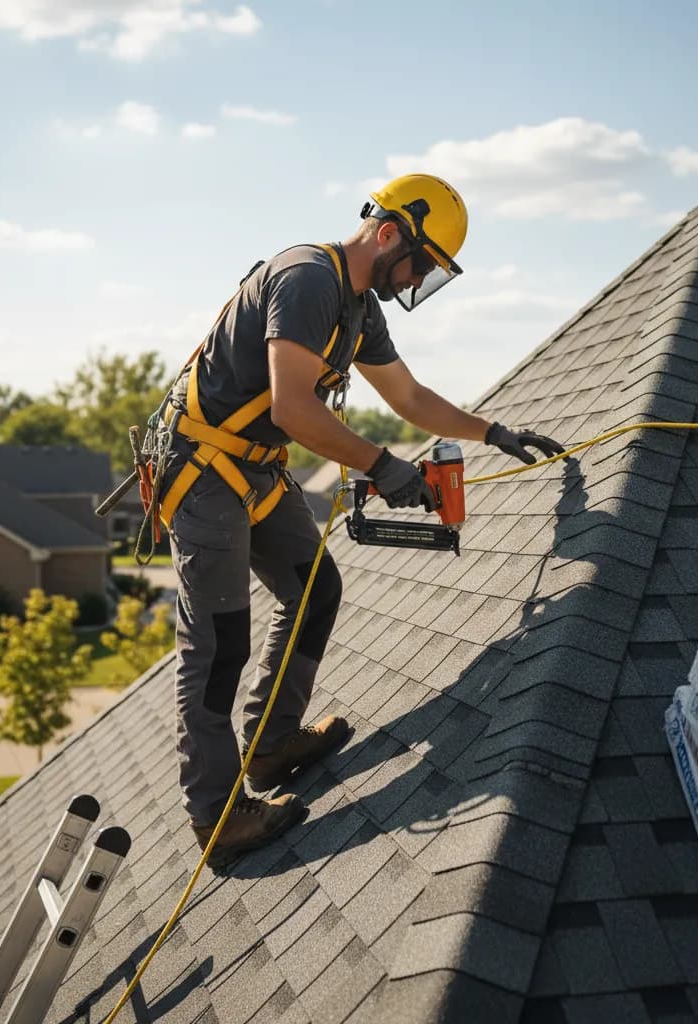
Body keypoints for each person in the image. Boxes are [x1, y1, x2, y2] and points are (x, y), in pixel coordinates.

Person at [156, 173, 565, 867]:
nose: (418, 278)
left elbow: (407, 395)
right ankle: (218, 818)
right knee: (220, 646)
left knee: (316, 587)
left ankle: (272, 745)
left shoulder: (357, 308)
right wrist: (383, 465)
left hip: (250, 468)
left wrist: (491, 431)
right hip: (203, 473)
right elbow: (292, 407)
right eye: (422, 262)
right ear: (388, 233)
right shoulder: (308, 280)